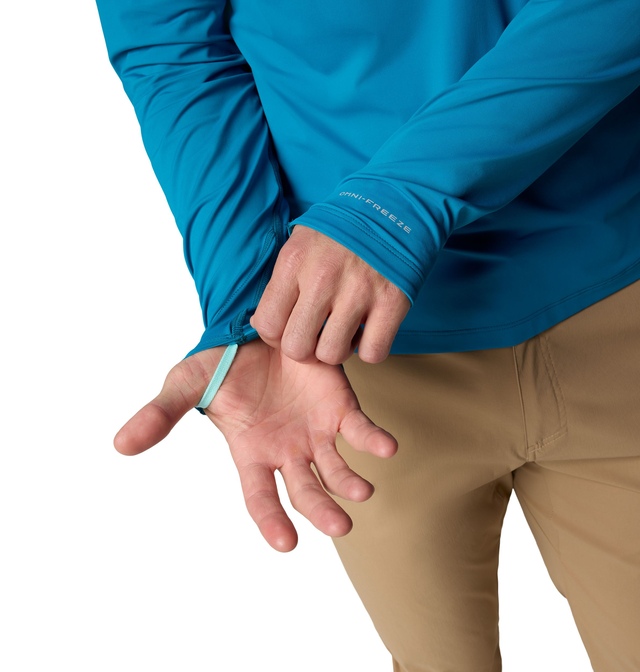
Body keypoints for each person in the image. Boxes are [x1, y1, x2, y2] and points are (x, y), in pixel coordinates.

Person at [95, 0, 640, 669]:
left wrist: (392, 208)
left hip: (613, 291)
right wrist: (249, 303)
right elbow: (176, 51)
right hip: (344, 363)